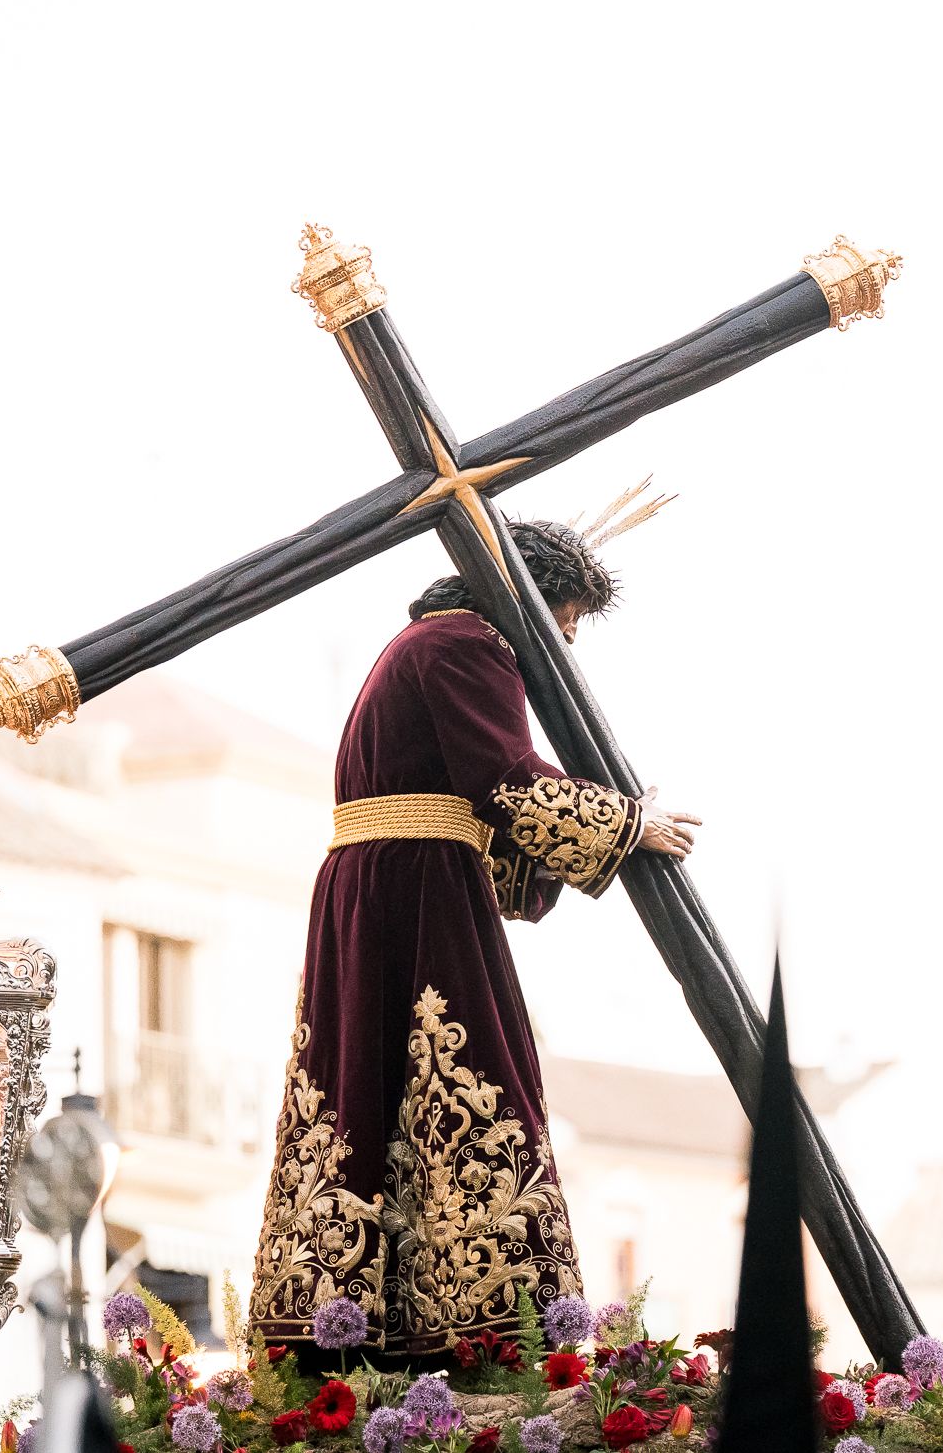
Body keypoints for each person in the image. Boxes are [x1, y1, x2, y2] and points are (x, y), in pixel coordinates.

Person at [245, 516, 699, 1362]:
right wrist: (628, 822)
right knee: (483, 1084)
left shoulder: (421, 643)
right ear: (523, 597)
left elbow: (474, 801)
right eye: (564, 623)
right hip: (417, 890)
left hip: (382, 887)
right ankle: (496, 1335)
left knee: (372, 1099)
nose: (565, 646)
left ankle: (370, 1328)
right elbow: (507, 781)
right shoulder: (468, 643)